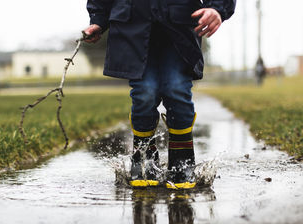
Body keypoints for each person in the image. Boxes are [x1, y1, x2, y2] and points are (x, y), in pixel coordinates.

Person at [84, 0, 236, 189]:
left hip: (178, 23)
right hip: (133, 26)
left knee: (176, 89)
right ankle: (145, 158)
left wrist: (217, 8)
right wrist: (98, 19)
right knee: (144, 93)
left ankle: (182, 162)